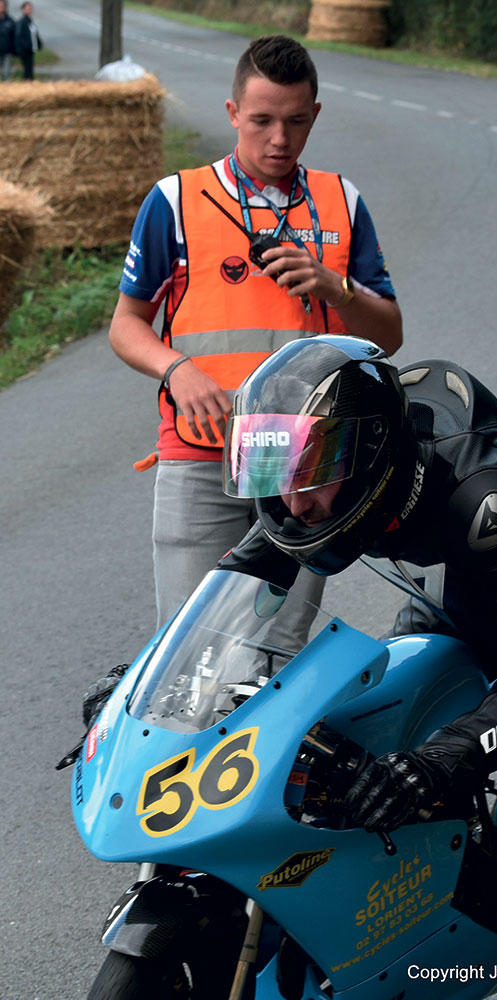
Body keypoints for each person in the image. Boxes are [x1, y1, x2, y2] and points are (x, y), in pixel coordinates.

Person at [221, 333, 497, 906]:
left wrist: (433, 766)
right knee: (354, 745)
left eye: (309, 478)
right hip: (451, 600)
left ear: (368, 456)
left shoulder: (485, 498)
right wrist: (151, 683)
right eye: (280, 481)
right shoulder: (342, 471)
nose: (294, 505)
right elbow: (240, 579)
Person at [108, 34, 402, 633]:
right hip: (201, 454)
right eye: (262, 120)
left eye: (296, 121)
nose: (279, 138)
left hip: (304, 464)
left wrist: (334, 287)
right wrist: (177, 369)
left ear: (314, 115)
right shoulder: (176, 200)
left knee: (275, 659)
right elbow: (125, 325)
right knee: (190, 653)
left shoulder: (341, 201)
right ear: (232, 113)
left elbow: (389, 335)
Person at [0, 0, 15, 82]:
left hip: (7, 52)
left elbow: (14, 36)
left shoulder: (10, 21)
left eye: (2, 6)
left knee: (6, 73)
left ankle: (5, 91)